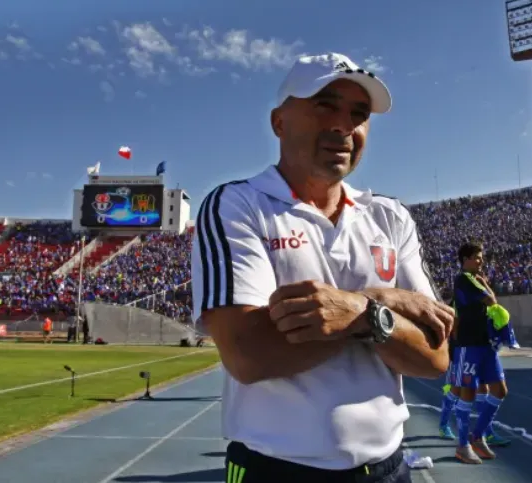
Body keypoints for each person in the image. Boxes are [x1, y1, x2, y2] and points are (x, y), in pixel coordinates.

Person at [192, 52, 453, 483]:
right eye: (324, 104)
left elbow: (435, 356)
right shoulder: (237, 205)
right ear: (279, 122)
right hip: (274, 471)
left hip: (387, 468)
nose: (343, 125)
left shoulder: (390, 216)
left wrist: (359, 312)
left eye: (359, 113)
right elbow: (248, 354)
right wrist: (380, 304)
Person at [451, 242, 510, 464]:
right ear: (465, 259)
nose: (481, 261)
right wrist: (486, 286)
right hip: (469, 344)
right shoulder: (463, 279)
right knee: (468, 391)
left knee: (500, 390)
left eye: (481, 257)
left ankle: (477, 436)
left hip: (485, 344)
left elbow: (490, 298)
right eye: (477, 257)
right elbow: (491, 300)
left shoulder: (476, 280)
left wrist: (485, 285)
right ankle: (463, 445)